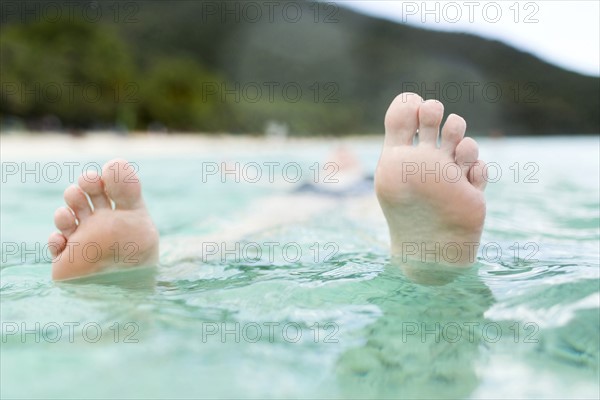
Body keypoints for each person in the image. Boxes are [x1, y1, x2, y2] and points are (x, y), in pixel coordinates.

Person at [48, 93, 487, 281]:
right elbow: (264, 178)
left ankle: (164, 272)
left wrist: (239, 173)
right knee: (371, 222)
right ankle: (419, 258)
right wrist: (236, 169)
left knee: (247, 228)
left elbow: (265, 181)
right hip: (359, 198)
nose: (340, 157)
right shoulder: (363, 176)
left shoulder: (346, 176)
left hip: (326, 197)